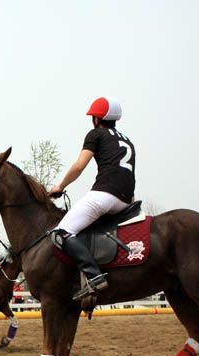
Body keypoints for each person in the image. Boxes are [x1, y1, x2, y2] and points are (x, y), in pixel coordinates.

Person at [48, 96, 135, 301]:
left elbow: (79, 166)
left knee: (61, 232)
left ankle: (94, 276)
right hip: (126, 199)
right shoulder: (126, 139)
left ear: (97, 118)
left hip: (105, 194)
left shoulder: (96, 134)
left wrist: (60, 186)